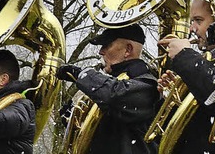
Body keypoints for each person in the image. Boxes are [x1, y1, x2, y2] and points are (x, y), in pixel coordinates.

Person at [156, 0, 215, 154]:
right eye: (191, 21)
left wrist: (184, 56)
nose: (191, 29)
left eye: (198, 20)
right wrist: (172, 96)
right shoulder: (203, 61)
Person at [56, 24, 159, 154]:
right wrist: (74, 123)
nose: (101, 51)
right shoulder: (110, 87)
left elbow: (115, 96)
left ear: (128, 49)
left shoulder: (148, 85)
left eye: (106, 45)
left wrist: (82, 75)